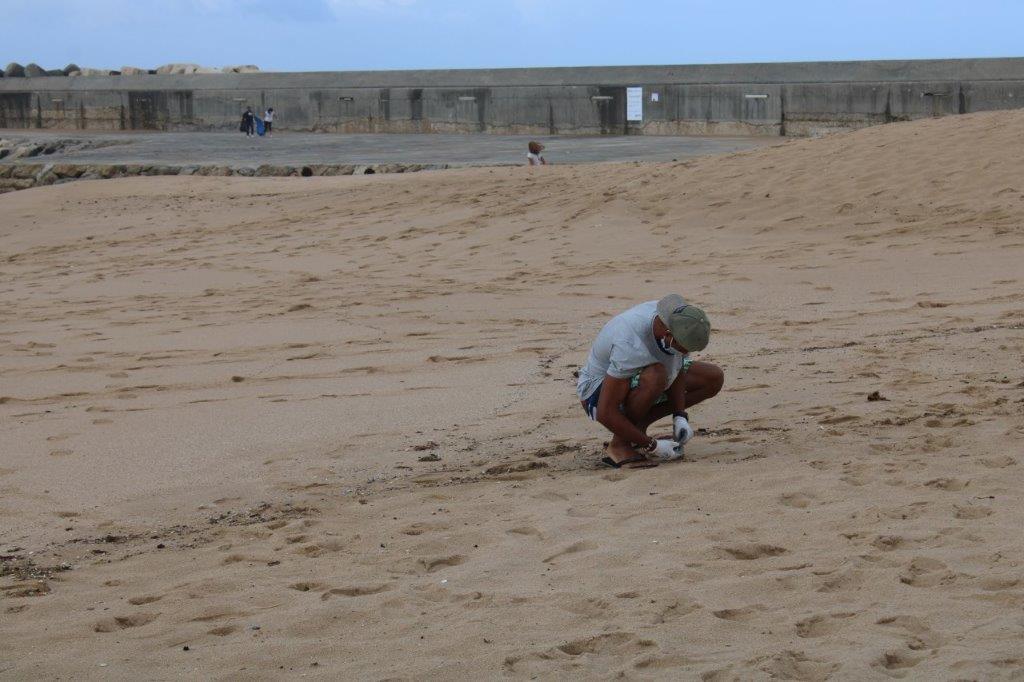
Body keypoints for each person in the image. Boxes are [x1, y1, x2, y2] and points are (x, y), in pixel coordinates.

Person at [577, 294, 724, 469]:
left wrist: (680, 416)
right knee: (655, 376)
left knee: (712, 378)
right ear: (667, 332)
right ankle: (619, 445)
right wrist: (652, 446)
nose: (683, 352)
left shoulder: (679, 319)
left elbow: (676, 366)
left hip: (639, 374)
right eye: (681, 348)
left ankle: (636, 431)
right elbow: (605, 412)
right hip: (596, 392)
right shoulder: (629, 343)